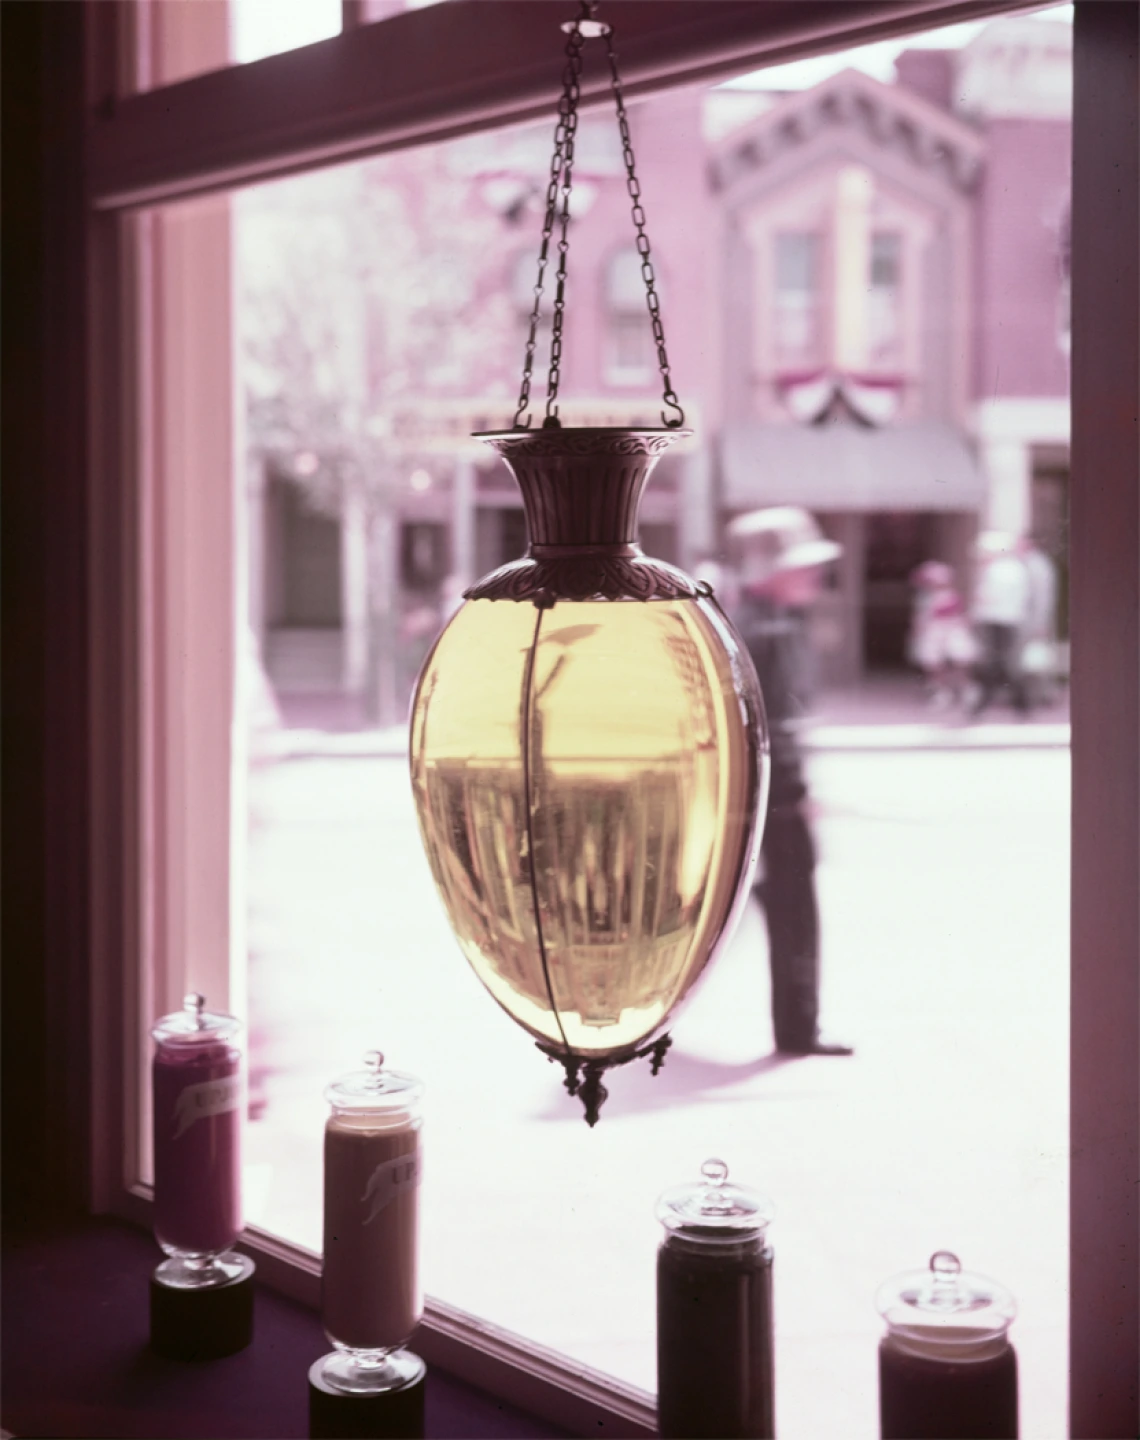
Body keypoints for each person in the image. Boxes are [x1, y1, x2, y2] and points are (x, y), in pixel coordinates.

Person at [727, 506, 854, 1058]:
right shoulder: (766, 629)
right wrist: (798, 794)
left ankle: (800, 1025)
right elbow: (768, 726)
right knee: (793, 909)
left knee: (775, 909)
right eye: (800, 567)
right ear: (765, 570)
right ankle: (800, 1030)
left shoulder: (770, 623)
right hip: (774, 800)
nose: (814, 578)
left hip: (768, 797)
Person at [969, 531, 1031, 716]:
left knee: (998, 663)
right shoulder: (1014, 568)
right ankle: (1019, 705)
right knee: (1004, 663)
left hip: (998, 621)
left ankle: (986, 704)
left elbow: (986, 598)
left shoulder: (998, 571)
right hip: (1007, 620)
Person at [907, 559, 976, 710]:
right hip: (933, 631)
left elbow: (962, 614)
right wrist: (918, 633)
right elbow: (920, 617)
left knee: (960, 659)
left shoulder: (952, 596)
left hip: (952, 630)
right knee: (934, 662)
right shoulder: (925, 598)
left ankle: (966, 689)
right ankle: (941, 692)